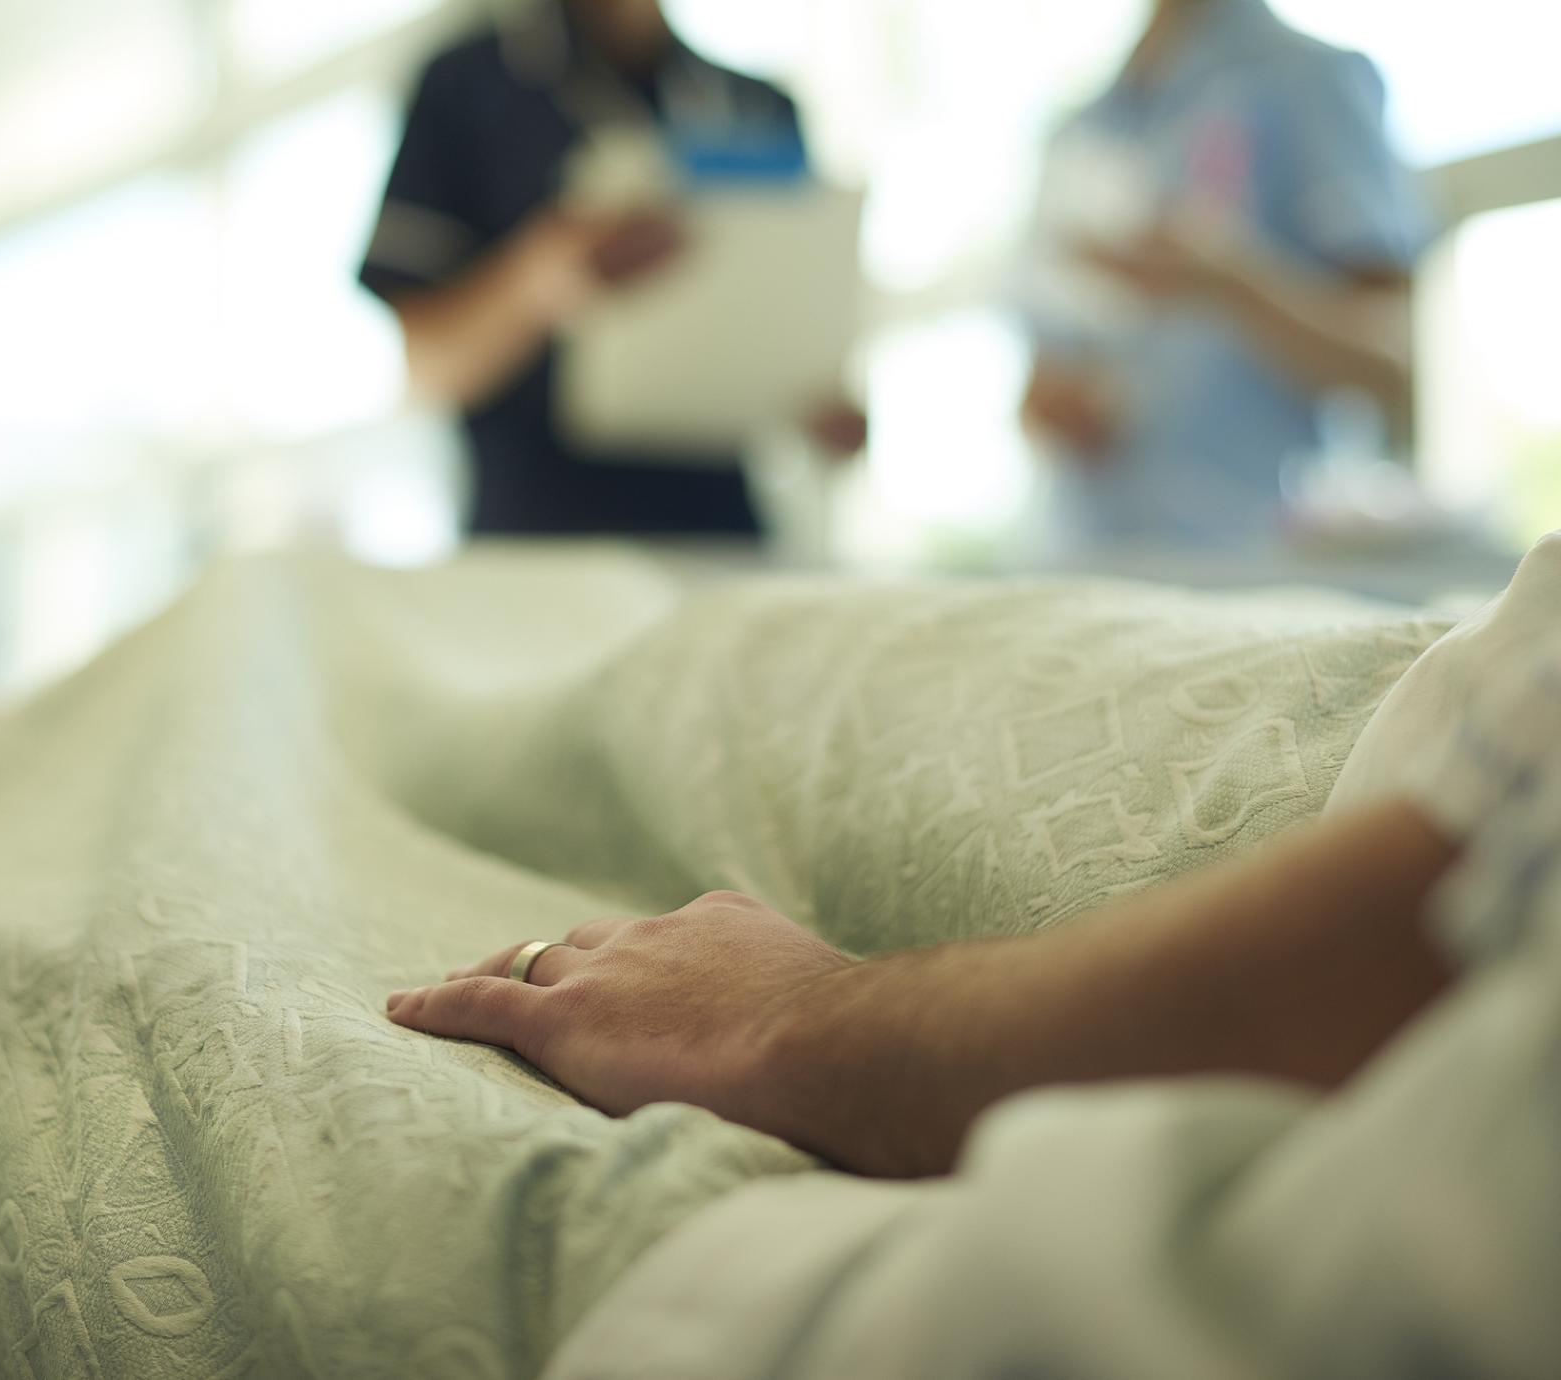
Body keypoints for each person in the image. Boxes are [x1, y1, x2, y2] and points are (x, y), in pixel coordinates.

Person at [390, 536, 1561, 1374]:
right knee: (734, 663)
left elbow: (1393, 948)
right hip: (1413, 701)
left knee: (722, 677)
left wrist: (798, 1021)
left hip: (1372, 786)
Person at [360, 0, 864, 538]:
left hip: (721, 540)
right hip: (536, 542)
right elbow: (427, 368)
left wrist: (822, 410)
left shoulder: (758, 106)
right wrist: (539, 280)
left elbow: (790, 340)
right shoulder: (468, 84)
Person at [1018, 0, 1433, 552]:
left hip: (1263, 568)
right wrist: (1053, 408)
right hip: (1090, 563)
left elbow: (1390, 356)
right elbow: (1045, 373)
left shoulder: (1308, 80)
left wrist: (1228, 283)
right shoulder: (1080, 128)